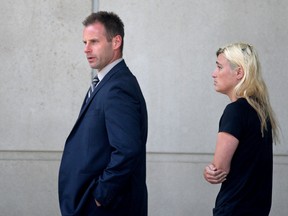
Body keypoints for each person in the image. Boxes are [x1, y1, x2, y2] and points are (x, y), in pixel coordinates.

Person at [58, 11, 148, 216]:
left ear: (116, 41)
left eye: (94, 42)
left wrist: (100, 194)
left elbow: (127, 150)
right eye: (84, 42)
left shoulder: (118, 88)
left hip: (107, 208)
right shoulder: (106, 83)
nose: (86, 49)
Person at [203, 42, 279, 216]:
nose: (213, 74)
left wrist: (208, 172)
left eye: (219, 67)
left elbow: (219, 170)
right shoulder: (260, 111)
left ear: (239, 73)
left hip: (233, 209)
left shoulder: (235, 111)